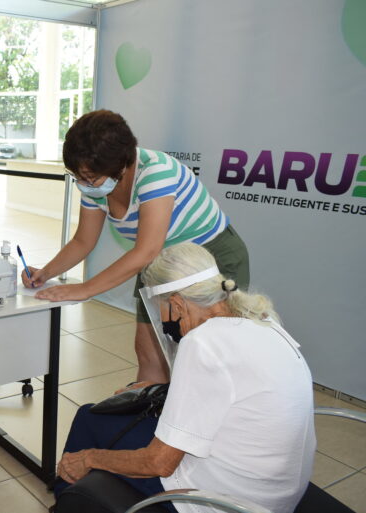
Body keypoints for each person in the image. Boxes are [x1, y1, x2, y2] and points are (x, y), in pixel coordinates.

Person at [53, 242, 315, 513]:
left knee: (90, 418)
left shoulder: (202, 341)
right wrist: (165, 388)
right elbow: (230, 393)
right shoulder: (262, 321)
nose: (163, 320)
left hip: (223, 500)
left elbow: (159, 463)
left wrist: (89, 459)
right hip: (276, 494)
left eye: (161, 309)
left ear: (177, 304)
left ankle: (69, 502)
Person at [22, 110, 249, 385]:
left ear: (122, 164)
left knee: (205, 355)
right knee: (149, 352)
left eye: (90, 177)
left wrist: (85, 289)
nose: (84, 184)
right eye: (77, 176)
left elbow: (146, 251)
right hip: (162, 263)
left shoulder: (156, 172)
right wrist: (45, 273)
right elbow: (83, 241)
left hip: (209, 259)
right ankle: (150, 419)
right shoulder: (96, 188)